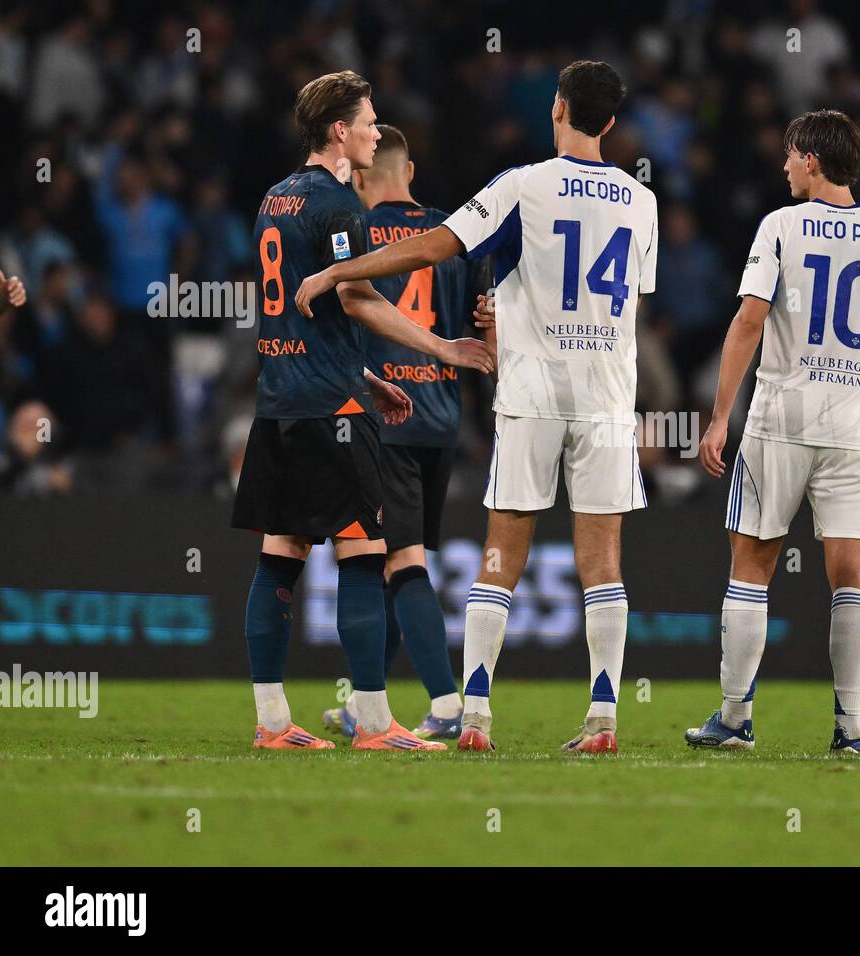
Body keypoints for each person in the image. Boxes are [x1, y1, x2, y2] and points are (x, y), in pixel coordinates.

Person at [296, 60, 658, 755]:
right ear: (610, 122)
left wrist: (341, 268)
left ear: (557, 109)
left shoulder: (523, 185)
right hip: (607, 396)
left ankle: (478, 716)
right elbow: (624, 306)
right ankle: (604, 718)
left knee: (500, 556)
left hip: (533, 394)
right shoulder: (640, 202)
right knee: (603, 562)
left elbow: (436, 246)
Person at [233, 71, 493, 752]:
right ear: (338, 130)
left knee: (280, 555)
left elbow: (301, 308)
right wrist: (441, 346)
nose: (377, 133)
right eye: (369, 121)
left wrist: (367, 373)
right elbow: (354, 299)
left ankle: (270, 723)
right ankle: (376, 725)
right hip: (332, 414)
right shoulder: (338, 204)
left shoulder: (274, 198)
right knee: (364, 552)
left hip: (280, 401)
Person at [683, 110, 860, 755]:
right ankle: (850, 730)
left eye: (791, 156)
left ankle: (734, 720)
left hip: (780, 421)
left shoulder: (782, 226)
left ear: (813, 161)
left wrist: (718, 417)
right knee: (853, 577)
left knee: (751, 566)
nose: (785, 166)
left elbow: (748, 321)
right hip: (855, 428)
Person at [321, 124, 481, 742]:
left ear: (360, 177)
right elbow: (482, 315)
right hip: (440, 419)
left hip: (380, 416)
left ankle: (445, 703)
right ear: (409, 172)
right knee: (398, 559)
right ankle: (370, 705)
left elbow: (347, 309)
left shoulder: (354, 234)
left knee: (397, 558)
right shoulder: (452, 234)